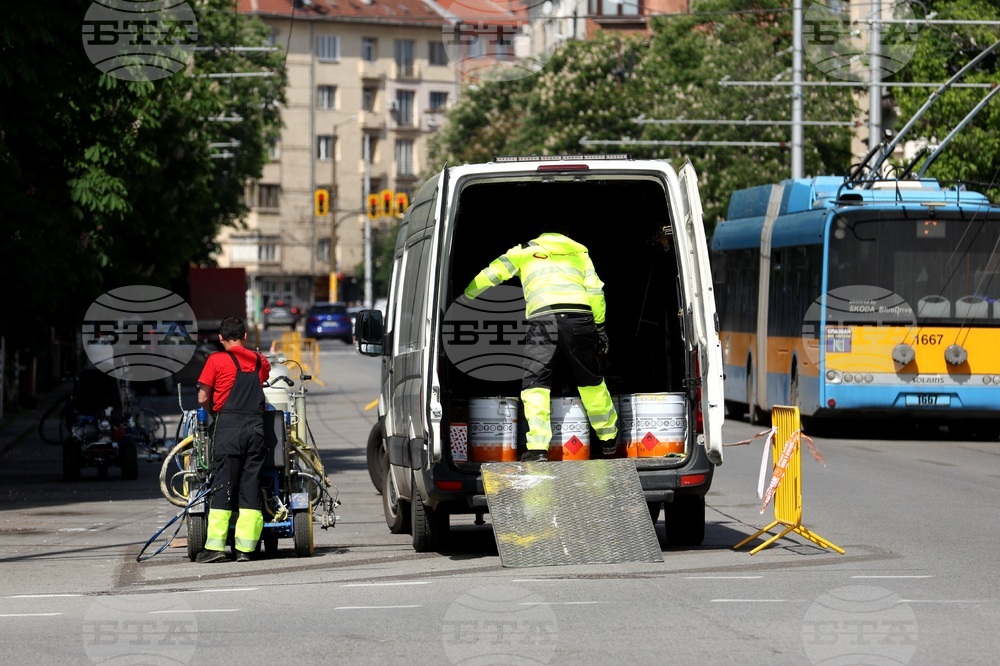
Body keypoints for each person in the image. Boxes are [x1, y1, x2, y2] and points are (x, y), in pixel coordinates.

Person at [464, 230, 618, 462]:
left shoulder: (524, 251)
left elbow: (491, 273)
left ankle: (537, 449)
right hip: (579, 319)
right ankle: (608, 440)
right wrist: (600, 326)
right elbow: (596, 291)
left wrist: (467, 296)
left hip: (544, 319)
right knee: (590, 380)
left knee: (535, 383)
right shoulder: (580, 253)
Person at [194, 316, 271, 563]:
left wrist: (214, 413)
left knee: (223, 485)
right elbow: (264, 378)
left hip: (227, 428)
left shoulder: (215, 360)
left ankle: (216, 548)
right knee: (250, 487)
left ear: (220, 338)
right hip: (256, 429)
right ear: (245, 336)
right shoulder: (259, 360)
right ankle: (246, 550)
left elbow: (202, 398)